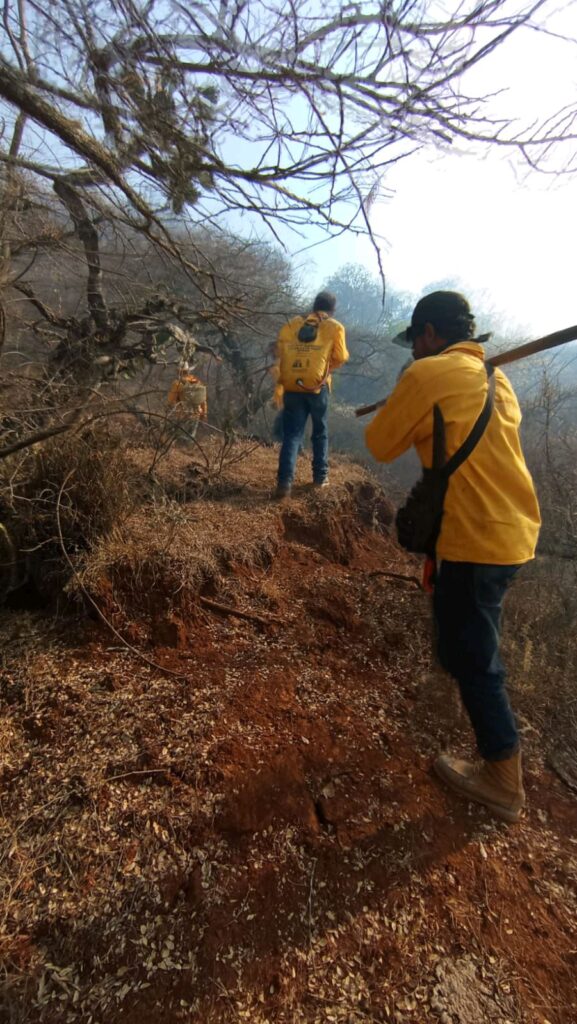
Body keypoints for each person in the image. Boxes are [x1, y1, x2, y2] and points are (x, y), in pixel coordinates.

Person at [365, 291, 541, 823]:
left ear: (430, 336)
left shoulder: (427, 375)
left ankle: (502, 777)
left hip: (475, 537)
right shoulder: (498, 380)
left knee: (476, 657)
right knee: (465, 630)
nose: (415, 352)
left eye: (416, 342)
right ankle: (455, 684)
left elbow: (378, 442)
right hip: (511, 530)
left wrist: (407, 387)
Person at [274, 290, 349, 498]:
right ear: (332, 310)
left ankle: (284, 484)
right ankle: (319, 478)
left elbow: (281, 349)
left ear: (314, 305)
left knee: (292, 435)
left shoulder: (293, 324)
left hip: (291, 386)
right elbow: (341, 357)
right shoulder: (334, 327)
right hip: (317, 387)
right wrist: (324, 370)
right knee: (319, 431)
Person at [167, 363, 208, 442]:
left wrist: (169, 409)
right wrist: (204, 416)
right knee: (190, 438)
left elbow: (170, 400)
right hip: (196, 414)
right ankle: (188, 449)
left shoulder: (177, 384)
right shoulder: (198, 383)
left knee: (178, 436)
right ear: (188, 371)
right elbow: (203, 401)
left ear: (178, 371)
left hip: (181, 414)